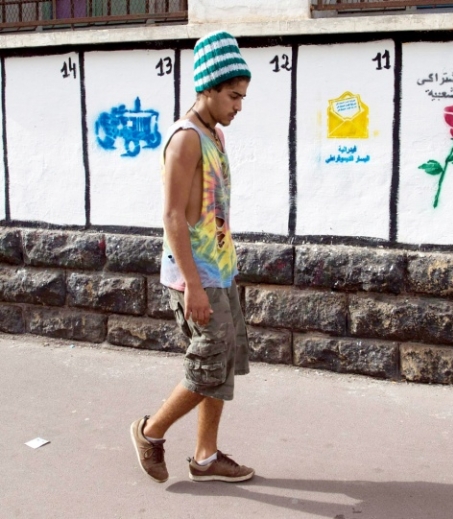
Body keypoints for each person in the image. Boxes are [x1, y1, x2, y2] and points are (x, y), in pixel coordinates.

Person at [130, 31, 253, 484]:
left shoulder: (214, 135)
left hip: (219, 270)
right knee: (207, 364)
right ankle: (150, 432)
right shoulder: (185, 140)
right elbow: (172, 217)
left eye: (242, 97)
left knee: (223, 363)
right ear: (209, 89)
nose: (239, 106)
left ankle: (205, 457)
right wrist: (194, 287)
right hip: (195, 278)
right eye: (233, 96)